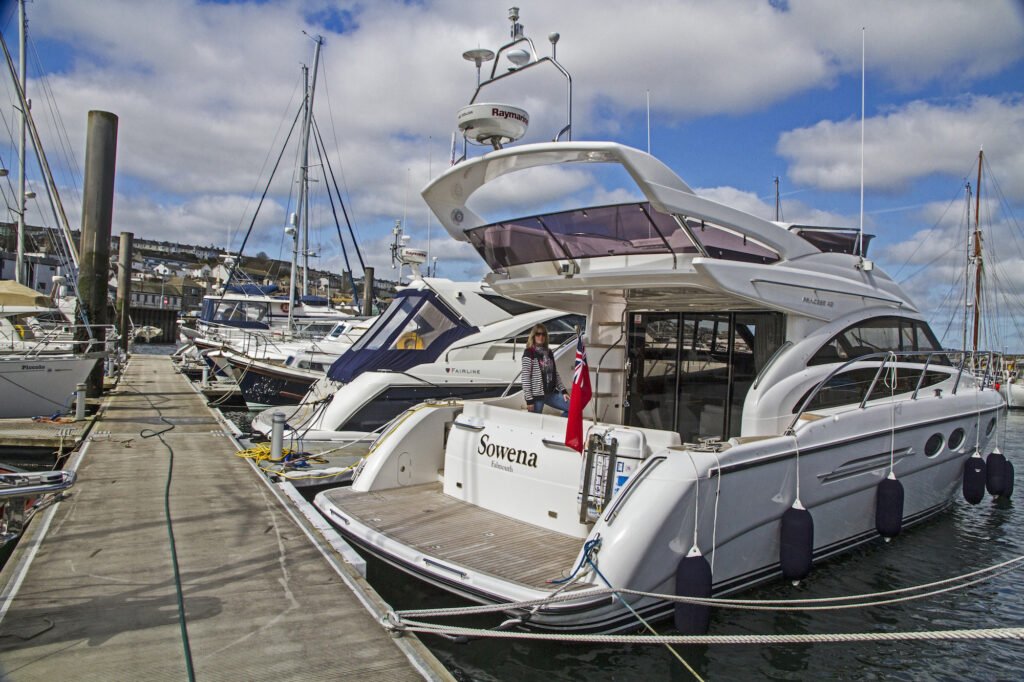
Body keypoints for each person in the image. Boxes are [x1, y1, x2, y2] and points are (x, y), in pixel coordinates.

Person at [522, 323, 569, 416]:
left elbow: (555, 373)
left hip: (550, 393)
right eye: (538, 334)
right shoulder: (529, 353)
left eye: (543, 334)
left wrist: (563, 391)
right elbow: (525, 378)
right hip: (536, 396)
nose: (541, 336)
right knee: (534, 423)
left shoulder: (549, 352)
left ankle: (558, 427)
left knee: (572, 408)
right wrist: (529, 400)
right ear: (533, 336)